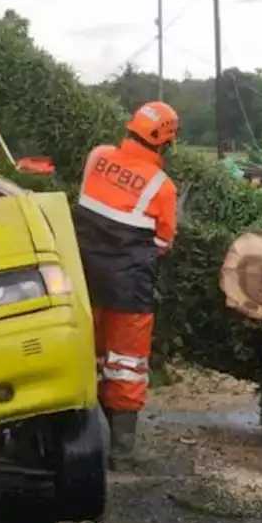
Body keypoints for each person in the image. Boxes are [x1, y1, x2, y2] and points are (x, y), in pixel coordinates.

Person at [73, 102, 179, 467]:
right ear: (164, 141)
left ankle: (79, 438)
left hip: (82, 276)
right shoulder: (161, 187)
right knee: (127, 363)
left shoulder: (97, 157)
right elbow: (163, 243)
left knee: (89, 354)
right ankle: (123, 450)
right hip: (128, 286)